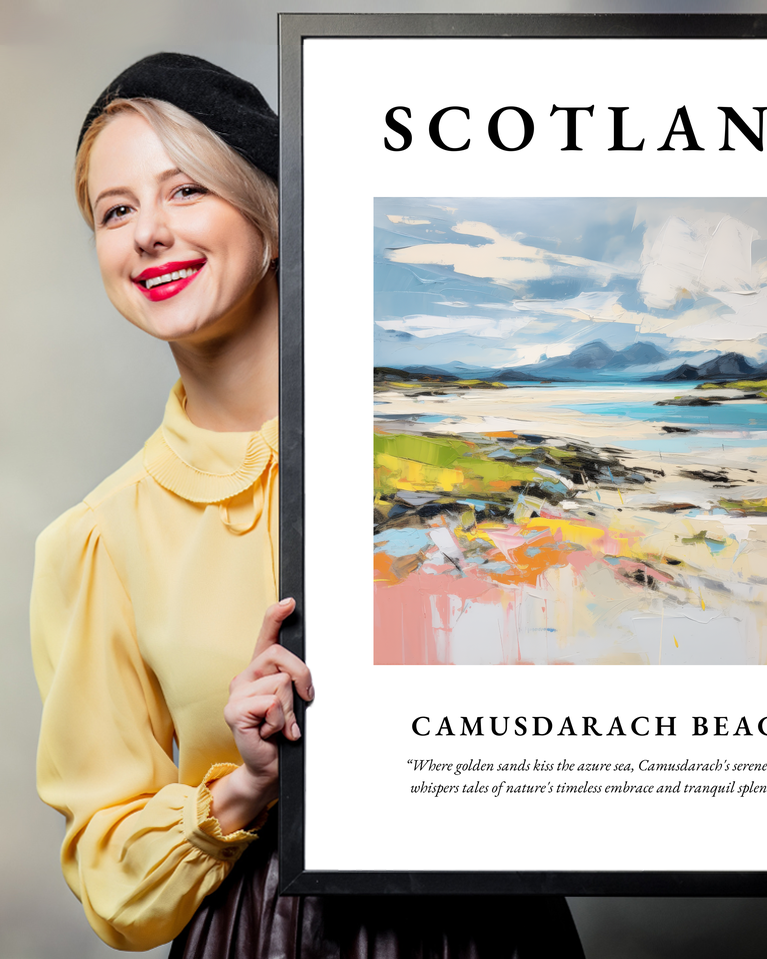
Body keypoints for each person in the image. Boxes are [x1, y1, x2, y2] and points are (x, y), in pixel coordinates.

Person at [30, 53, 585, 957]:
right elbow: (110, 877)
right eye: (116, 210)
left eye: (186, 192)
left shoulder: (457, 454)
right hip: (262, 935)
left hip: (492, 927)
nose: (148, 234)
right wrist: (245, 785)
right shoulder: (97, 540)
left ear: (273, 217)